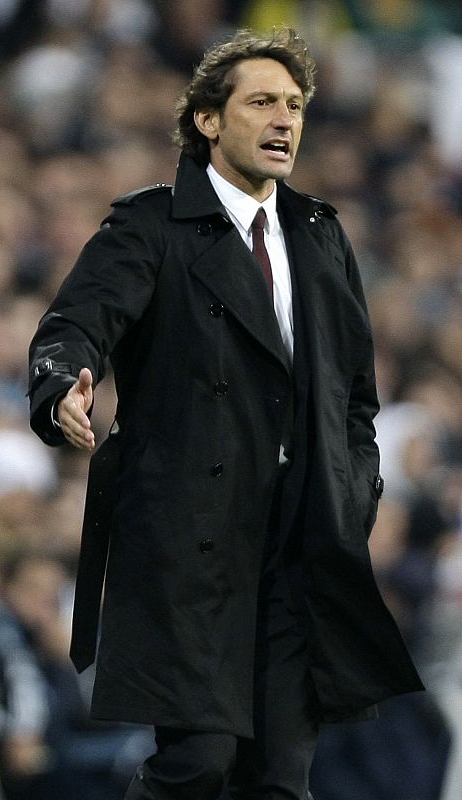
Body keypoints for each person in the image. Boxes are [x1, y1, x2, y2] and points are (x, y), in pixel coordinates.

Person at [28, 27, 423, 800]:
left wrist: (354, 491)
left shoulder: (320, 235)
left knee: (279, 779)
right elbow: (73, 327)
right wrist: (62, 388)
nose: (284, 120)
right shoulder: (150, 225)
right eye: (261, 102)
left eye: (295, 105)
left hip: (299, 545)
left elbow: (353, 395)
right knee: (195, 764)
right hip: (188, 544)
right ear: (208, 119)